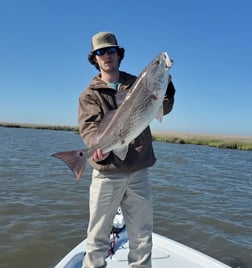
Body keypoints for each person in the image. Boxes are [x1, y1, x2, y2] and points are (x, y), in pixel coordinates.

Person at [78, 31, 175, 268]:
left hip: (138, 171)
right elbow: (89, 128)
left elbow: (164, 108)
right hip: (107, 173)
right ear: (95, 59)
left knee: (142, 239)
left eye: (111, 50)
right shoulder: (89, 95)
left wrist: (167, 85)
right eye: (101, 52)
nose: (107, 56)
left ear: (118, 54)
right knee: (97, 239)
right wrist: (96, 148)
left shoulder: (138, 83)